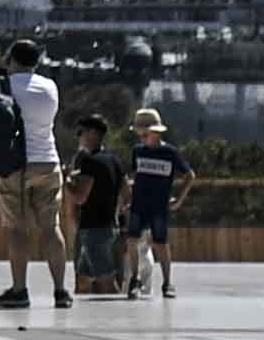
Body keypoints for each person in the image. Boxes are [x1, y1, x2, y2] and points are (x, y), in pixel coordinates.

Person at [0, 40, 68, 311]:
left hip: (16, 164)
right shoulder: (49, 86)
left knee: (18, 229)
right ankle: (61, 290)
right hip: (48, 161)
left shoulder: (1, 84)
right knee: (51, 228)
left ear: (10, 58)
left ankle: (20, 289)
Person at [119, 109, 184, 301]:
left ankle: (167, 282)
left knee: (160, 243)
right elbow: (133, 175)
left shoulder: (169, 152)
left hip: (159, 205)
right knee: (132, 240)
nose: (141, 136)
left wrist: (179, 199)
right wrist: (129, 198)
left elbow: (189, 175)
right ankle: (135, 280)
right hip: (139, 204)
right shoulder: (138, 151)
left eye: (143, 132)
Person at [67, 114, 122, 298]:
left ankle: (122, 322)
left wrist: (66, 180)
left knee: (107, 283)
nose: (79, 137)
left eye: (81, 132)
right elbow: (127, 193)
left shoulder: (89, 162)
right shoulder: (113, 159)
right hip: (109, 227)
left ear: (92, 134)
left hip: (93, 230)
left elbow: (80, 197)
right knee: (83, 280)